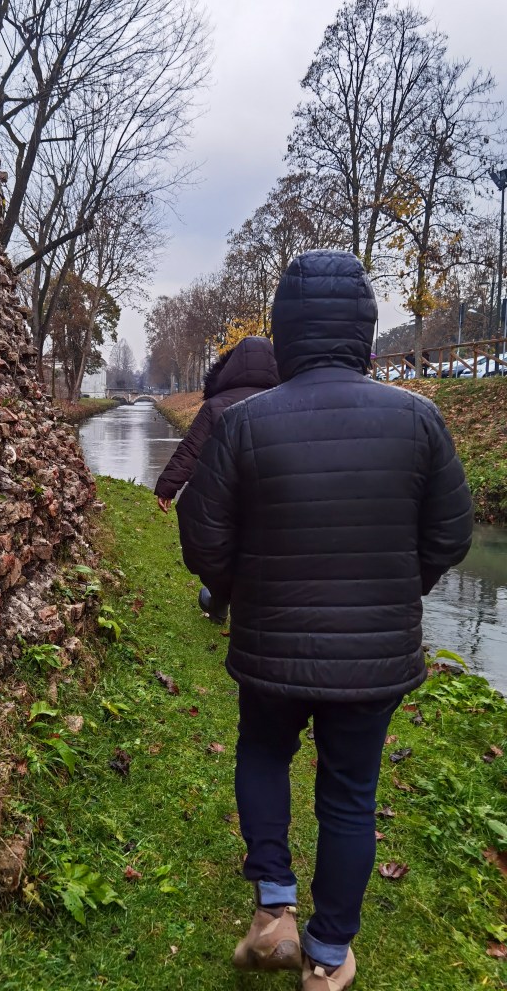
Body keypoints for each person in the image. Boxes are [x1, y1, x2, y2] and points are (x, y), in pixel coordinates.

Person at [176, 251, 472, 990]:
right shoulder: (419, 418)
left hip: (270, 646)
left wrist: (243, 591)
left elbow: (202, 536)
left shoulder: (244, 423)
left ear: (286, 331)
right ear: (363, 330)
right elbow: (449, 534)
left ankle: (273, 911)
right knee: (349, 794)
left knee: (264, 752)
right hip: (375, 657)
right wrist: (398, 588)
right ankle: (329, 958)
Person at [154, 336, 278, 622]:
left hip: (224, 493)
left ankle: (219, 601)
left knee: (223, 547)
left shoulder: (216, 405)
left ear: (232, 366)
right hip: (271, 492)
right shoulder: (287, 402)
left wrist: (168, 486)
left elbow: (192, 448)